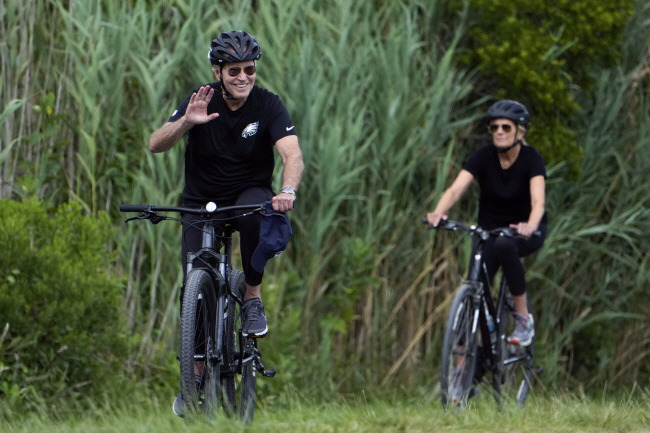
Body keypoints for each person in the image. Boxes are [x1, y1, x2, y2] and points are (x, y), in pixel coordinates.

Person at [426, 99, 547, 346]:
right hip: (488, 230)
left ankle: (523, 318)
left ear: (520, 131)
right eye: (494, 128)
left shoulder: (531, 158)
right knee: (474, 288)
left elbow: (538, 203)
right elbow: (455, 189)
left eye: (505, 127)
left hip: (524, 230)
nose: (499, 132)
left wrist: (530, 225)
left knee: (505, 245)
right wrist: (438, 213)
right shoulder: (483, 156)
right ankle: (462, 378)